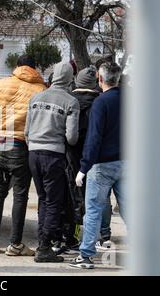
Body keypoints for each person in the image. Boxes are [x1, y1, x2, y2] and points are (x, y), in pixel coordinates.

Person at [0, 55, 46, 256]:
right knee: (20, 196)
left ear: (17, 66)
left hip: (0, 144)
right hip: (21, 146)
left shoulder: (1, 83)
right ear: (34, 68)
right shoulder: (41, 89)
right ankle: (15, 244)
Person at [70, 62, 124, 269]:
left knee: (93, 210)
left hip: (101, 165)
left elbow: (94, 138)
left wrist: (83, 168)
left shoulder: (101, 103)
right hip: (126, 163)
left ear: (100, 80)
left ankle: (86, 256)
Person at [25, 61, 80, 263]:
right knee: (54, 202)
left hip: (33, 154)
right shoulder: (70, 101)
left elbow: (26, 132)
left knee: (43, 200)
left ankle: (43, 243)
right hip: (53, 156)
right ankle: (45, 247)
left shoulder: (35, 98)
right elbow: (72, 137)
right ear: (70, 78)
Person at [57, 65, 101, 255]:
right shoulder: (100, 102)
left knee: (69, 197)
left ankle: (68, 237)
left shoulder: (68, 100)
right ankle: (97, 235)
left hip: (69, 156)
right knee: (94, 200)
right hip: (94, 159)